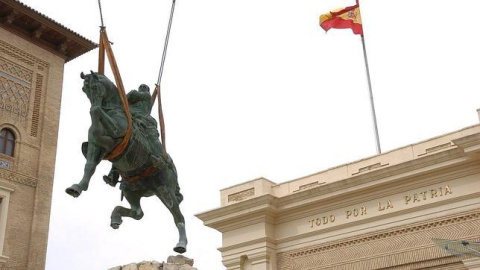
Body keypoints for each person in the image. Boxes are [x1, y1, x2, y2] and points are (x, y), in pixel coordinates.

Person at [103, 84, 167, 186]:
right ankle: (113, 174)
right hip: (131, 120)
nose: (143, 88)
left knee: (153, 137)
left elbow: (128, 97)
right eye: (141, 87)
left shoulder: (145, 97)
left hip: (145, 120)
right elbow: (124, 101)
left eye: (144, 88)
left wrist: (133, 93)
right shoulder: (141, 98)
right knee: (121, 144)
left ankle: (160, 159)